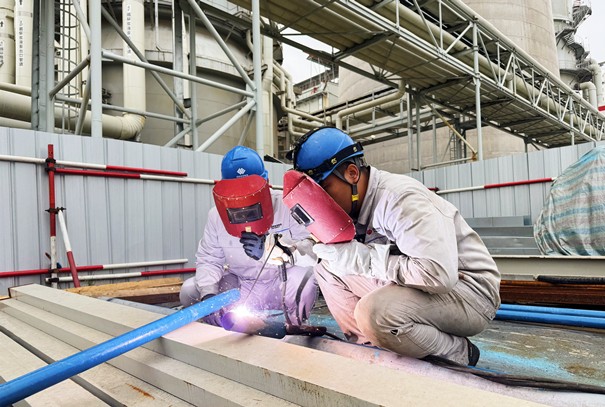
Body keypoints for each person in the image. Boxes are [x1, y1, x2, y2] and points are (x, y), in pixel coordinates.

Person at [287, 126, 500, 366]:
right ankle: (370, 350)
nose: (322, 203)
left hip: (469, 292)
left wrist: (363, 259)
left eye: (324, 190)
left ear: (352, 173)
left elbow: (437, 274)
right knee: (327, 266)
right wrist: (297, 251)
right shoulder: (352, 205)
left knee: (375, 313)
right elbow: (339, 251)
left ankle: (458, 353)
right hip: (424, 284)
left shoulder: (400, 199)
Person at [180, 146, 318, 327]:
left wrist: (272, 250)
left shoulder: (288, 206)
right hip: (242, 287)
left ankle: (294, 326)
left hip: (281, 284)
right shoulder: (216, 216)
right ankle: (226, 325)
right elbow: (209, 260)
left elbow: (311, 251)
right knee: (189, 291)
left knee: (306, 277)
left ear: (266, 182)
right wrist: (209, 296)